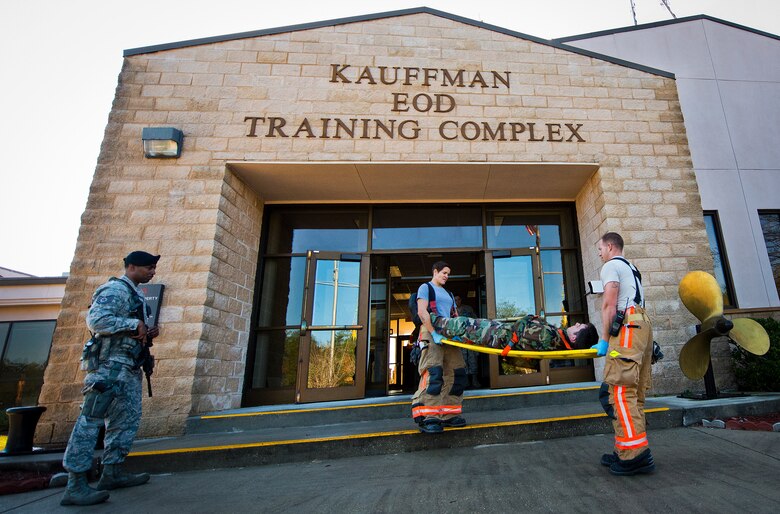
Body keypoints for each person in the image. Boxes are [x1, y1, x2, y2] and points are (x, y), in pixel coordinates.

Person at [60, 251, 160, 506]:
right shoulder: (115, 289)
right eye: (148, 267)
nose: (152, 272)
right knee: (91, 421)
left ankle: (112, 472)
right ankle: (75, 484)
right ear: (132, 267)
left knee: (125, 420)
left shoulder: (135, 294)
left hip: (128, 368)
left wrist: (147, 332)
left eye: (153, 268)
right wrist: (131, 324)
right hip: (108, 368)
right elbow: (97, 320)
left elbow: (130, 328)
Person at [593, 232, 655, 476]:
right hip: (642, 325)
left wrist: (604, 340)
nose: (599, 253)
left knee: (620, 392)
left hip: (627, 326)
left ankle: (634, 456)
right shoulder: (632, 267)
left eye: (600, 248)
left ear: (610, 246)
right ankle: (626, 449)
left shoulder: (611, 266)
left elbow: (610, 303)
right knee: (634, 393)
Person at [411, 261, 467, 434]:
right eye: (443, 272)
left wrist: (457, 335)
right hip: (430, 332)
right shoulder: (425, 288)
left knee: (456, 372)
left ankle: (450, 414)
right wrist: (433, 333)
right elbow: (422, 311)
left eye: (448, 273)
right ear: (435, 271)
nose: (446, 276)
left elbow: (454, 315)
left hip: (449, 335)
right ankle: (429, 417)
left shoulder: (449, 293)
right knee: (433, 372)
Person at [430, 313, 599, 352]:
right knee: (461, 324)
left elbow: (520, 327)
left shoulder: (550, 336)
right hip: (496, 332)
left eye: (579, 326)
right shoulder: (557, 337)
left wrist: (530, 317)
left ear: (575, 337)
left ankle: (426, 318)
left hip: (494, 334)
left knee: (460, 324)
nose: (576, 323)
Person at [454, 296, 480, 388]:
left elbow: (476, 321)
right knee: (462, 361)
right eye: (455, 299)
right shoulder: (451, 310)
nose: (457, 301)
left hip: (470, 338)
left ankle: (474, 380)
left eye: (459, 299)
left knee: (473, 360)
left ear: (461, 299)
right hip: (459, 340)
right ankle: (465, 382)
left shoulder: (468, 308)